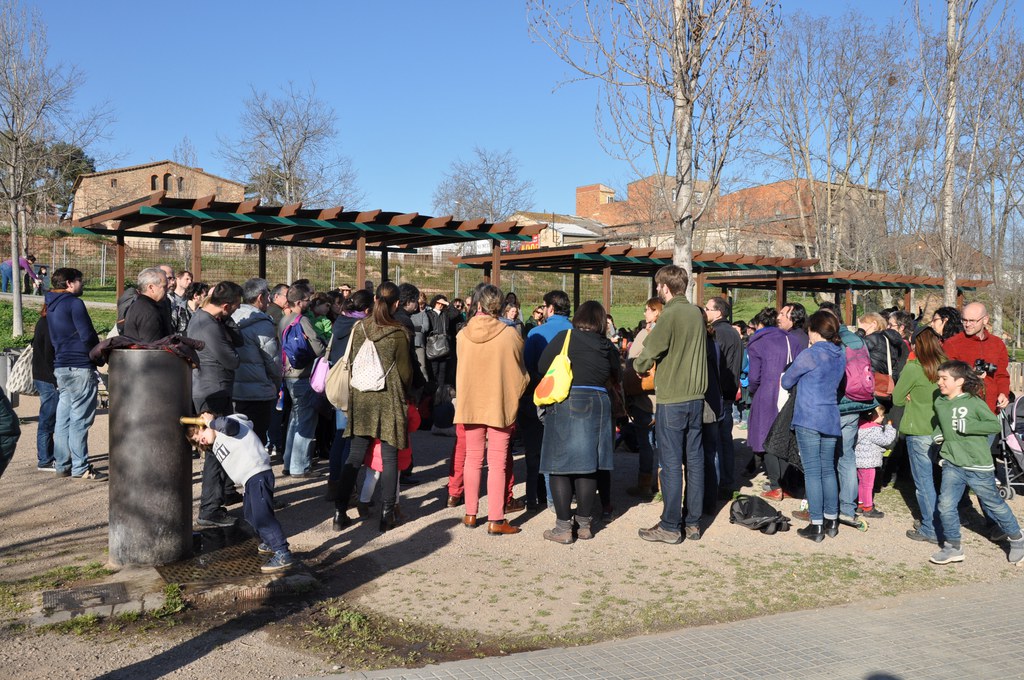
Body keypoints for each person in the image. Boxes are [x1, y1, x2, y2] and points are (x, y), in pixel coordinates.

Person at [634, 265, 707, 544]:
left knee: (672, 464)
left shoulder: (670, 314)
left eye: (658, 286)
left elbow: (649, 351)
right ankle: (692, 523)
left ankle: (670, 525)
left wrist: (638, 366)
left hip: (673, 398)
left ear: (665, 287)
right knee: (695, 462)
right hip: (696, 399)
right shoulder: (695, 313)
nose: (657, 290)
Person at [538, 301, 620, 543]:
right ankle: (584, 525)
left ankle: (563, 528)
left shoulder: (565, 338)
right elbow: (616, 374)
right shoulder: (607, 345)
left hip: (568, 400)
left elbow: (542, 366)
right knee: (589, 464)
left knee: (559, 465)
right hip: (599, 402)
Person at [334, 282, 413, 532]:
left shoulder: (359, 328)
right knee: (389, 458)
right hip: (389, 398)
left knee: (355, 456)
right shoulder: (398, 332)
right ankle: (387, 514)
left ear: (375, 299)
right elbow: (405, 373)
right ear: (396, 304)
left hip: (361, 398)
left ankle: (339, 512)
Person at [929, 360, 1024, 565]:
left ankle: (1017, 539)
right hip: (952, 464)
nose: (939, 382)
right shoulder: (940, 402)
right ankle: (953, 547)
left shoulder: (974, 402)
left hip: (978, 466)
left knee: (994, 504)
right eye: (939, 378)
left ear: (960, 381)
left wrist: (969, 426)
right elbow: (941, 423)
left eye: (944, 378)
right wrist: (937, 435)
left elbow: (993, 425)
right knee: (945, 505)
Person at [455, 284, 528, 536]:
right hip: (499, 403)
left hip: (470, 402)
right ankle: (496, 519)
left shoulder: (462, 335)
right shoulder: (510, 335)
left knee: (472, 459)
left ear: (478, 305)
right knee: (497, 463)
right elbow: (520, 371)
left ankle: (470, 513)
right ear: (501, 306)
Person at [188, 413, 295, 573]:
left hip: (258, 474)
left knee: (262, 516)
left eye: (200, 434)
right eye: (197, 441)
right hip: (249, 480)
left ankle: (282, 552)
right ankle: (269, 541)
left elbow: (229, 425)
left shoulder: (228, 427)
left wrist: (210, 422)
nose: (200, 440)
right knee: (250, 514)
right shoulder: (217, 440)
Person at [780, 310, 846, 542]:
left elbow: (786, 381)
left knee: (812, 471)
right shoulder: (840, 354)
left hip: (808, 416)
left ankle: (816, 523)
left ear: (814, 331)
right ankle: (831, 520)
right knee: (828, 469)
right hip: (830, 416)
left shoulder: (810, 354)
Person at [815, 301, 878, 528]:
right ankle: (848, 508)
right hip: (856, 403)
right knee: (847, 456)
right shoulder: (857, 339)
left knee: (825, 457)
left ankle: (825, 506)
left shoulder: (831, 340)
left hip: (834, 404)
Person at [187, 281, 244, 527]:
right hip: (212, 391)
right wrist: (225, 323)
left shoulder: (209, 319)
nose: (237, 310)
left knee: (220, 447)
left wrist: (226, 319)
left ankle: (223, 493)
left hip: (213, 388)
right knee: (215, 450)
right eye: (236, 306)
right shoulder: (208, 325)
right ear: (226, 305)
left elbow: (238, 341)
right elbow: (232, 360)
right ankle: (209, 509)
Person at [46, 268, 105, 480]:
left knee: (63, 419)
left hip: (62, 366)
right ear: (70, 283)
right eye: (80, 280)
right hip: (80, 365)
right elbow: (87, 334)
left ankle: (62, 464)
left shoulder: (51, 305)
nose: (82, 284)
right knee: (80, 419)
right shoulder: (74, 303)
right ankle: (81, 467)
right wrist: (98, 355)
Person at [520, 290, 574, 510]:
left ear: (550, 308)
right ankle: (561, 496)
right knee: (563, 449)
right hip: (569, 397)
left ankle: (534, 496)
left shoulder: (536, 333)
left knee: (535, 449)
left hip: (539, 395)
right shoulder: (576, 332)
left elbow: (526, 366)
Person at [894, 328, 946, 544]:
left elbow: (897, 398)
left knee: (923, 483)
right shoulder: (946, 365)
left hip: (918, 429)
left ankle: (930, 527)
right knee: (938, 480)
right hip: (940, 430)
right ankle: (937, 521)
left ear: (916, 345)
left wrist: (909, 396)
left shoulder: (914, 368)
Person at [325, 288, 372, 529]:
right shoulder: (360, 327)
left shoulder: (339, 322)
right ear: (367, 309)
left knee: (339, 438)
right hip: (352, 386)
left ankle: (334, 484)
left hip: (337, 386)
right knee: (351, 442)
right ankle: (348, 488)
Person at [747, 307, 803, 499]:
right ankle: (786, 484)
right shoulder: (792, 340)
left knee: (766, 437)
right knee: (783, 435)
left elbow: (754, 377)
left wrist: (754, 391)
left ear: (760, 324)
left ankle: (775, 484)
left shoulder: (758, 343)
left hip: (766, 392)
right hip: (789, 391)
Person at [279, 281, 326, 478]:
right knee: (306, 421)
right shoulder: (303, 321)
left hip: (288, 375)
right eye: (307, 299)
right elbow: (318, 349)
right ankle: (300, 466)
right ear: (299, 302)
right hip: (304, 375)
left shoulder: (284, 320)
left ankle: (289, 462)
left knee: (295, 419)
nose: (309, 302)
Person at [231, 278, 282, 449]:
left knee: (237, 440)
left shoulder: (231, 317)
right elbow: (272, 361)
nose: (269, 300)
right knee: (256, 441)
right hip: (258, 392)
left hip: (234, 390)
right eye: (268, 296)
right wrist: (276, 384)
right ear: (260, 297)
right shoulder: (261, 323)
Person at [943, 302, 1010, 415]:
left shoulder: (997, 344)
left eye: (972, 321)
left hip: (991, 410)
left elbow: (1002, 374)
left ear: (985, 320)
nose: (967, 324)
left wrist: (1003, 393)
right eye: (964, 320)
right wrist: (970, 375)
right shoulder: (952, 344)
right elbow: (946, 378)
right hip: (962, 410)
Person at [625, 297, 662, 500]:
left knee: (646, 443)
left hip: (644, 399)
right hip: (665, 397)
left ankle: (645, 484)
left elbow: (632, 359)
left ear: (656, 311)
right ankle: (664, 485)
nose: (644, 313)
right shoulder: (669, 332)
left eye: (648, 309)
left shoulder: (645, 334)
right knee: (665, 444)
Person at [705, 296, 741, 495]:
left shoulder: (717, 332)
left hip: (718, 392)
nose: (705, 312)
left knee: (716, 441)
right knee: (725, 439)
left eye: (708, 308)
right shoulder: (734, 332)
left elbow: (715, 363)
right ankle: (727, 480)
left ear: (718, 312)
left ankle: (718, 484)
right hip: (729, 390)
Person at [854, 405, 896, 518]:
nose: (883, 418)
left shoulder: (860, 427)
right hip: (869, 462)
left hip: (860, 461)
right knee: (868, 485)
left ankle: (860, 504)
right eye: (881, 416)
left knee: (861, 483)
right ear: (873, 416)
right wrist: (890, 428)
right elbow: (886, 440)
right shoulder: (874, 429)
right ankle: (868, 508)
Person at [31, 305, 58, 472]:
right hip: (48, 377)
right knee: (48, 419)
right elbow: (49, 353)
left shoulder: (43, 321)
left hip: (42, 375)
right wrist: (56, 377)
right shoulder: (48, 324)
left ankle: (47, 456)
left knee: (48, 418)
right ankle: (45, 459)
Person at [122, 267, 173, 343]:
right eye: (164, 286)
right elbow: (152, 346)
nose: (167, 289)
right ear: (151, 288)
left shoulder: (138, 305)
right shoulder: (148, 311)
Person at [859, 312, 906, 386]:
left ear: (874, 324)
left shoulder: (872, 338)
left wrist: (860, 332)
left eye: (862, 326)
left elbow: (854, 348)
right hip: (885, 385)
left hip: (871, 382)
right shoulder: (889, 340)